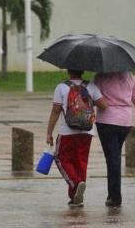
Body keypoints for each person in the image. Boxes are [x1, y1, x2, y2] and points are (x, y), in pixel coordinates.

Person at [46, 69, 107, 207]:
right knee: (81, 161)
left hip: (67, 131)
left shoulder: (61, 87)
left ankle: (75, 183)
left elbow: (56, 111)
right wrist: (88, 102)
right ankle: (76, 197)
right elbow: (104, 105)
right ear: (83, 71)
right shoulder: (91, 86)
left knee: (60, 158)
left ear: (68, 71)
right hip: (87, 131)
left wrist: (49, 132)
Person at [94, 72, 135, 207]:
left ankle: (115, 197)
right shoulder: (130, 76)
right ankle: (111, 194)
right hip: (125, 122)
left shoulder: (100, 76)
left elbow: (94, 98)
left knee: (112, 159)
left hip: (106, 121)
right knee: (114, 156)